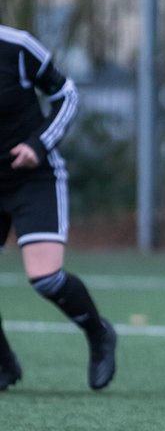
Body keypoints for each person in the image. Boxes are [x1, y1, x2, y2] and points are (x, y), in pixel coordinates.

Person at [0, 24, 117, 392]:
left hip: (31, 177)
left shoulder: (16, 48)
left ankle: (99, 334)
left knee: (46, 278)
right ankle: (3, 363)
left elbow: (67, 96)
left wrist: (38, 143)